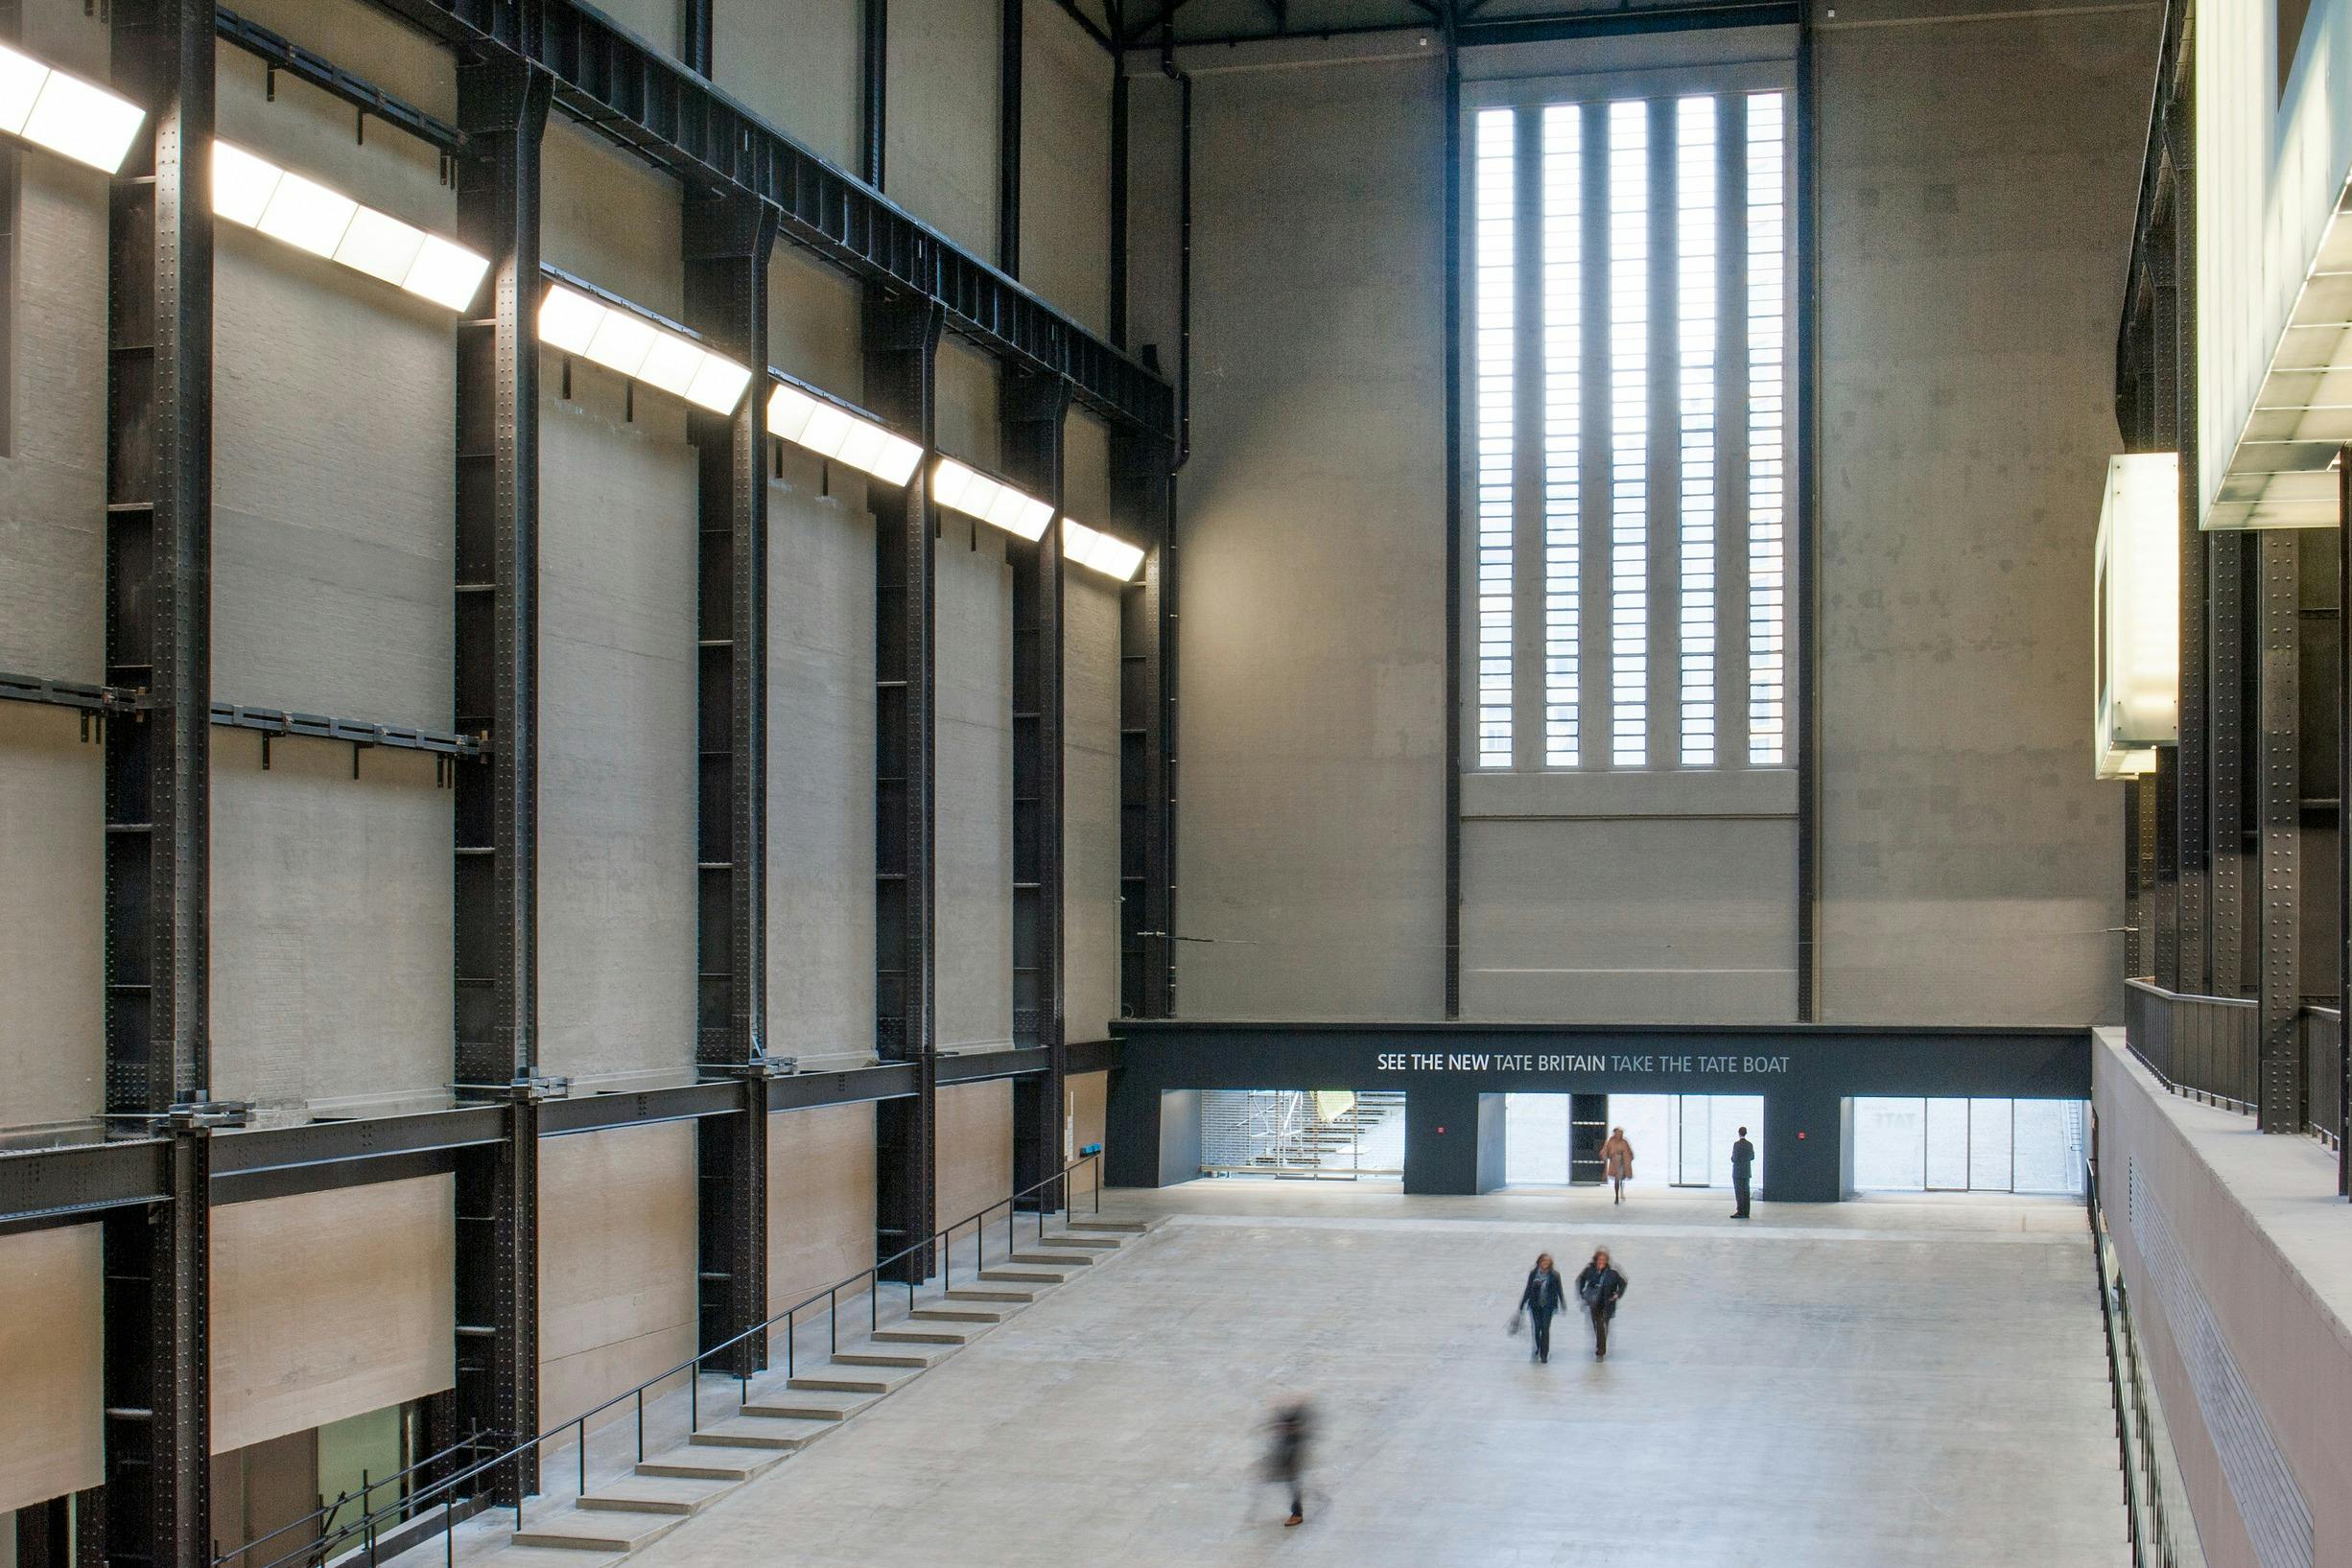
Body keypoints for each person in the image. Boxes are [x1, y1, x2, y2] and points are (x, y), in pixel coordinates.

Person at [1262, 1397, 1314, 1527]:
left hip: (1291, 1464)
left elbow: (1290, 1454)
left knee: (1293, 1485)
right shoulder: (1290, 1436)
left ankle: (1297, 1515)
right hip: (1289, 1463)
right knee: (1292, 1485)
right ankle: (1297, 1513)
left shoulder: (1294, 1439)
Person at [1575, 1248, 1628, 1360]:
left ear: (1607, 1260)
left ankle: (1601, 1351)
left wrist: (1617, 1294)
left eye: (1604, 1260)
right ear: (1596, 1260)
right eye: (1599, 1260)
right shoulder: (1590, 1270)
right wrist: (1582, 1293)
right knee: (1597, 1325)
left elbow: (1623, 1283)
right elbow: (1580, 1279)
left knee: (1603, 1325)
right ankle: (1601, 1346)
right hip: (1594, 1303)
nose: (1601, 1262)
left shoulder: (1612, 1272)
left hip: (1608, 1303)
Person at [1517, 1252, 1567, 1364]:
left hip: (1548, 1306)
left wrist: (1562, 1302)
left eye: (1548, 1262)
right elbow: (1528, 1289)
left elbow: (1559, 1290)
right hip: (1535, 1305)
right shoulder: (1533, 1274)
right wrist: (1522, 1304)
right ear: (1539, 1262)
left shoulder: (1554, 1275)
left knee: (1545, 1328)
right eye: (1544, 1261)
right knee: (1537, 1328)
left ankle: (1544, 1354)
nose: (1545, 1263)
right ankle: (1538, 1347)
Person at [1599, 1126, 1635, 1205]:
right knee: (1617, 1180)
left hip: (1622, 1163)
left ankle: (1621, 1193)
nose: (1620, 1134)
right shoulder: (1611, 1141)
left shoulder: (1624, 1142)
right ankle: (1617, 1196)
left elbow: (1629, 1151)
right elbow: (1606, 1149)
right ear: (1615, 1133)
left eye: (1621, 1133)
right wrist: (1604, 1155)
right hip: (1614, 1163)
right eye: (1618, 1132)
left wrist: (1629, 1158)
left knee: (1621, 1179)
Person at [1729, 1126, 1755, 1219]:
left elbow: (1734, 1158)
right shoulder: (1750, 1144)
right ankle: (1746, 1212)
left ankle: (1740, 1211)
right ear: (1746, 1133)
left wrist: (1733, 1159)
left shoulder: (1736, 1144)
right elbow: (1752, 1157)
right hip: (1747, 1171)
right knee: (1746, 1191)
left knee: (1739, 1192)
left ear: (1739, 1133)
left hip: (1738, 1171)